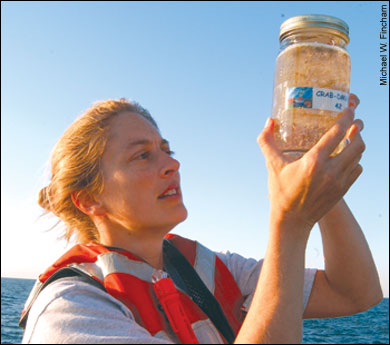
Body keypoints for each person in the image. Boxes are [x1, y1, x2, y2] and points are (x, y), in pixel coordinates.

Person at [20, 95, 382, 344]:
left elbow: (355, 293)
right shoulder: (71, 311)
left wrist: (316, 172)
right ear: (88, 200)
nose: (172, 164)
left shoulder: (213, 268)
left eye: (166, 149)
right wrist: (290, 222)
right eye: (142, 156)